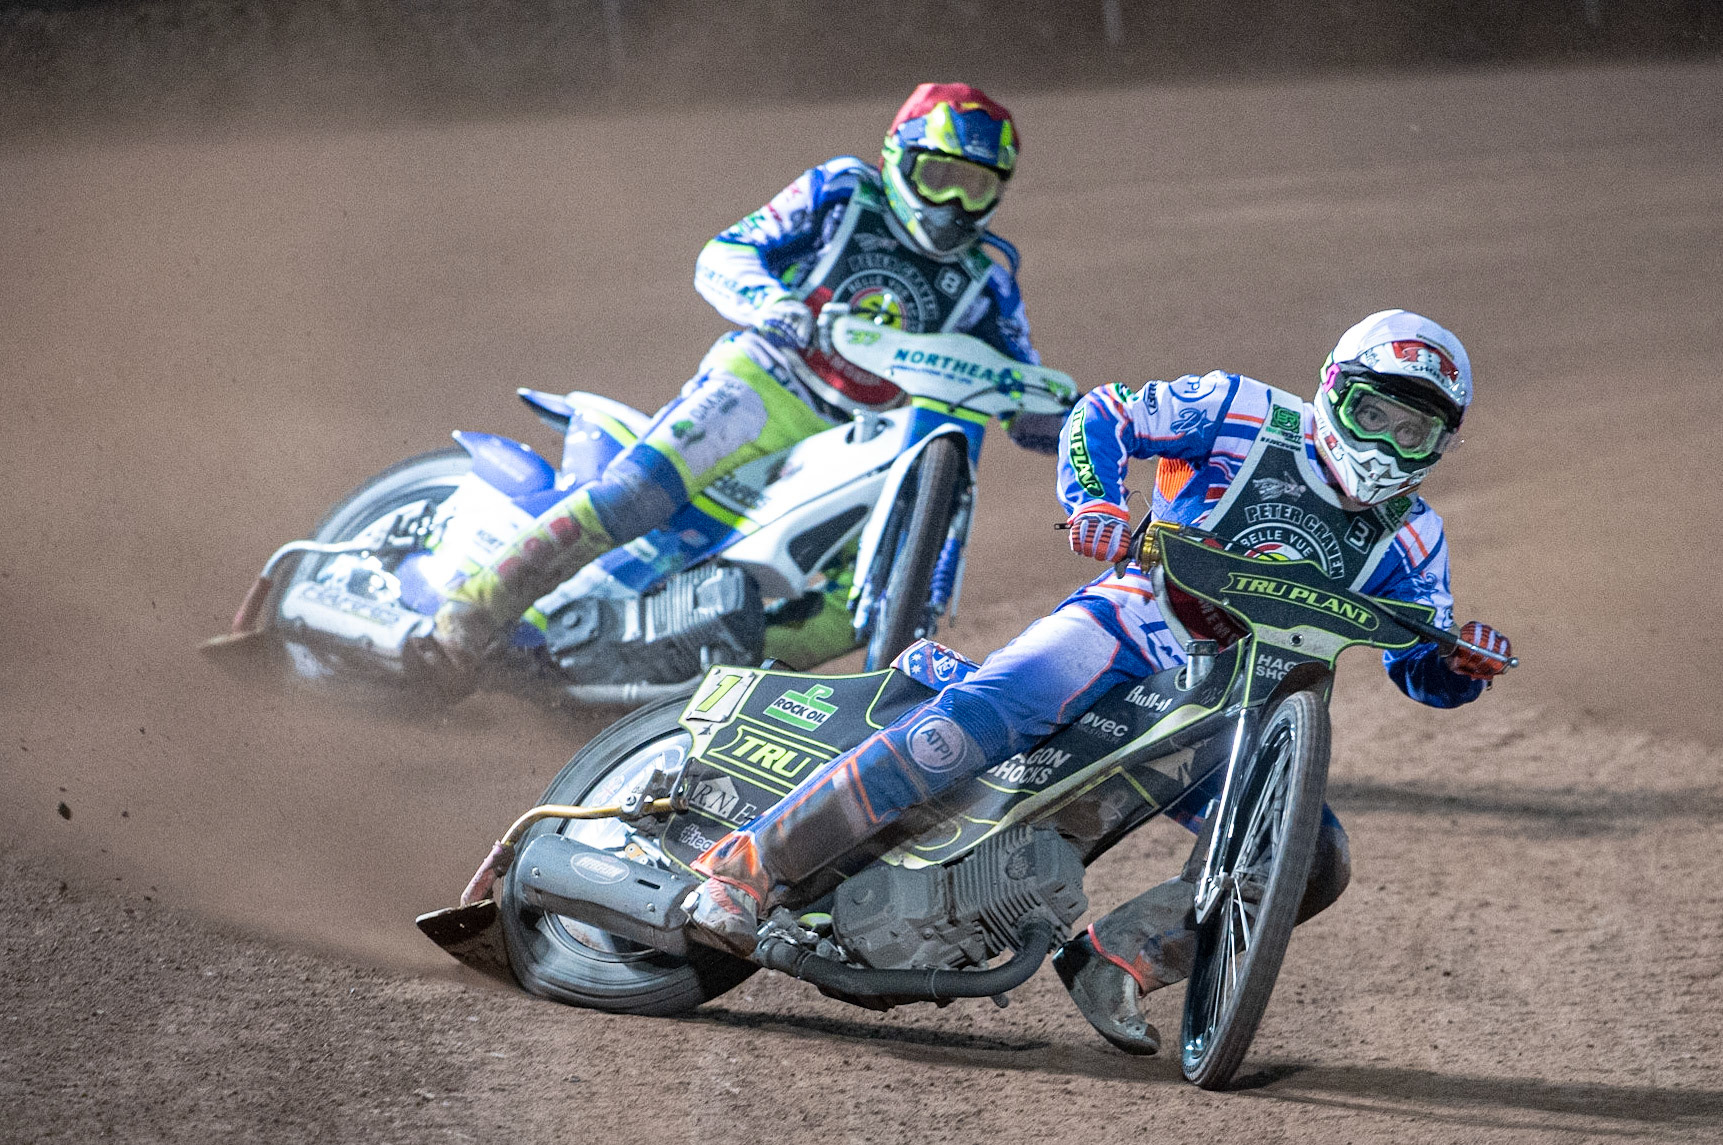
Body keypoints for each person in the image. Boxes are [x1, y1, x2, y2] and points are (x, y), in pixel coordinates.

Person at [682, 309, 1515, 1054]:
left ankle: (1118, 961)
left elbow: (1419, 665)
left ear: (1439, 443)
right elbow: (1106, 412)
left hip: (1229, 714)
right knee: (966, 726)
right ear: (1334, 392)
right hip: (1123, 624)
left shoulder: (1414, 538)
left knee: (1314, 856)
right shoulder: (1242, 412)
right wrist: (1095, 500)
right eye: (1374, 413)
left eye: (1413, 430)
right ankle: (745, 868)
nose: (1386, 441)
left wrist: (1458, 661)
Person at [427, 83, 1056, 675]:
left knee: (858, 611)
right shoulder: (842, 194)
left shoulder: (988, 282)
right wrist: (770, 301)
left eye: (974, 187)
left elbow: (1020, 386)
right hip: (766, 382)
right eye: (939, 176)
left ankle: (683, 677)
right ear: (899, 158)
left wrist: (1075, 421)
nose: (951, 203)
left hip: (862, 441)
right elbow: (725, 252)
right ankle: (475, 609)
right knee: (639, 493)